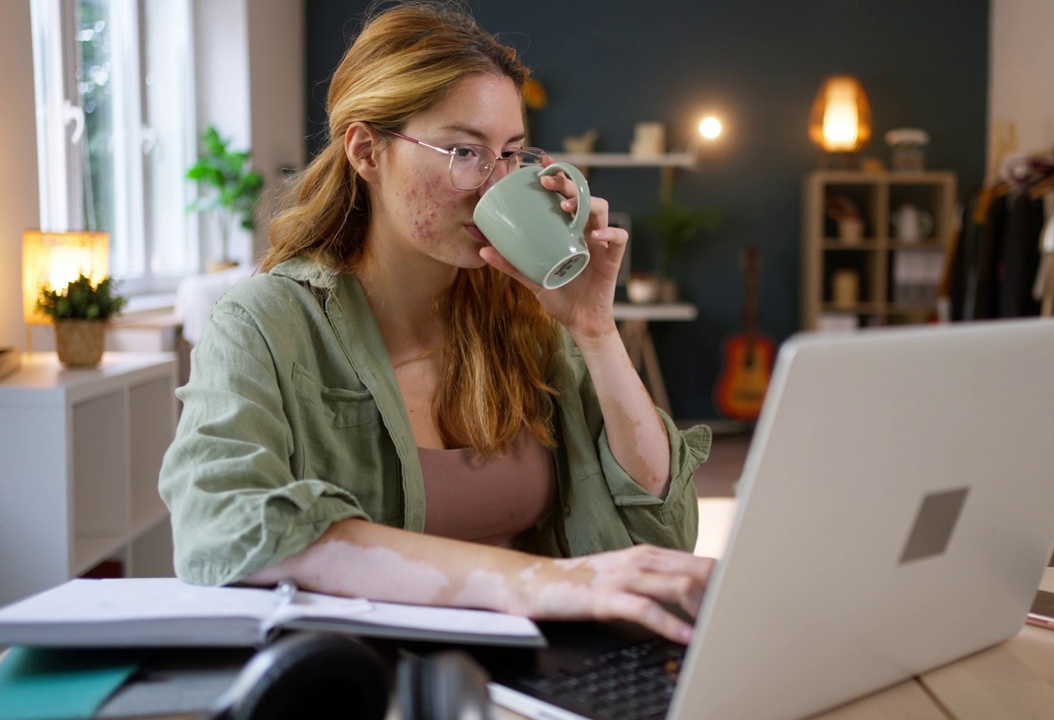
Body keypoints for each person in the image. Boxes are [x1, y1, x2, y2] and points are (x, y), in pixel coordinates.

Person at [159, 0, 713, 644]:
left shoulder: (528, 315)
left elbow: (663, 533)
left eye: (509, 153)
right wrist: (526, 582)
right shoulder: (266, 324)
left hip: (550, 672)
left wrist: (594, 329)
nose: (494, 183)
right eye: (463, 150)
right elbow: (220, 524)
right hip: (368, 674)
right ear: (367, 151)